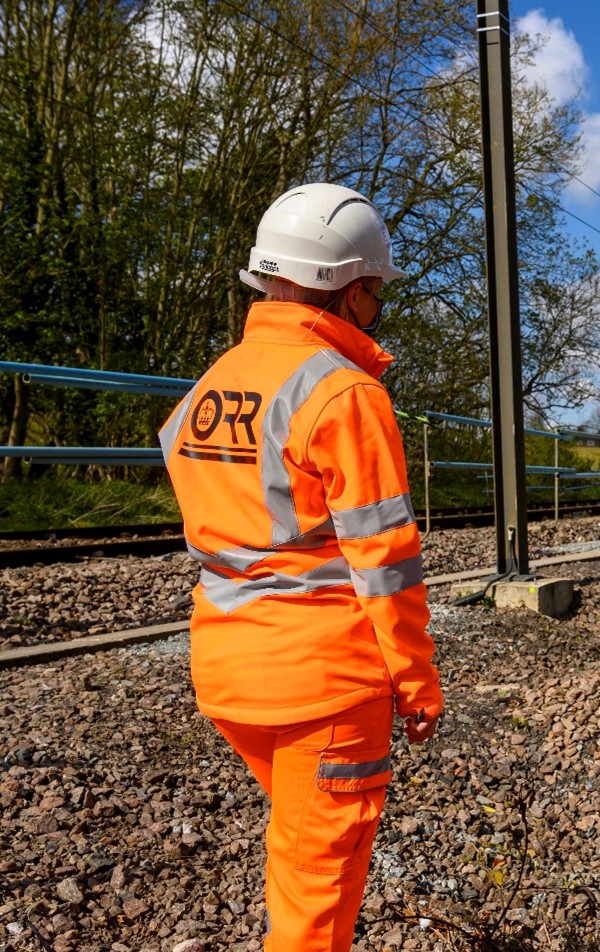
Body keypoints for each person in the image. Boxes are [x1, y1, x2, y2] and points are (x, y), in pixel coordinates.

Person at [159, 183, 442, 950]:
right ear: (352, 293)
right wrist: (416, 682)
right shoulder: (345, 393)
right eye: (376, 293)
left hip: (227, 673)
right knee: (315, 900)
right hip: (326, 687)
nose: (378, 308)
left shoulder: (212, 385)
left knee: (296, 853)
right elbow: (384, 559)